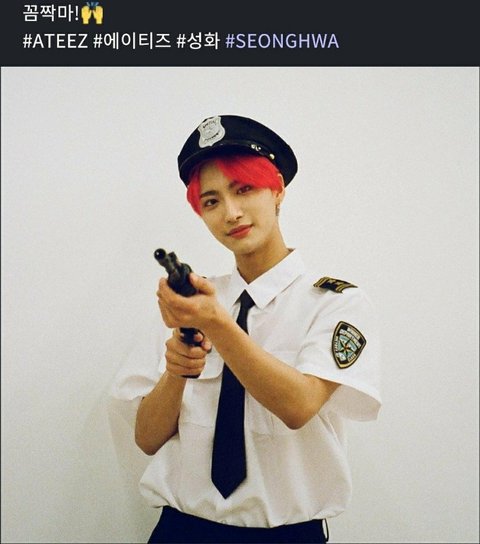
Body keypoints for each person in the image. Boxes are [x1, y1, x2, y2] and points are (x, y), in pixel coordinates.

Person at [109, 114, 382, 543]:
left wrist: (217, 324)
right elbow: (146, 437)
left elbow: (299, 406)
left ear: (278, 190)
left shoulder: (333, 302)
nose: (231, 213)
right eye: (211, 201)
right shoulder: (193, 302)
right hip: (182, 529)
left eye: (244, 189)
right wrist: (177, 370)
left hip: (285, 535)